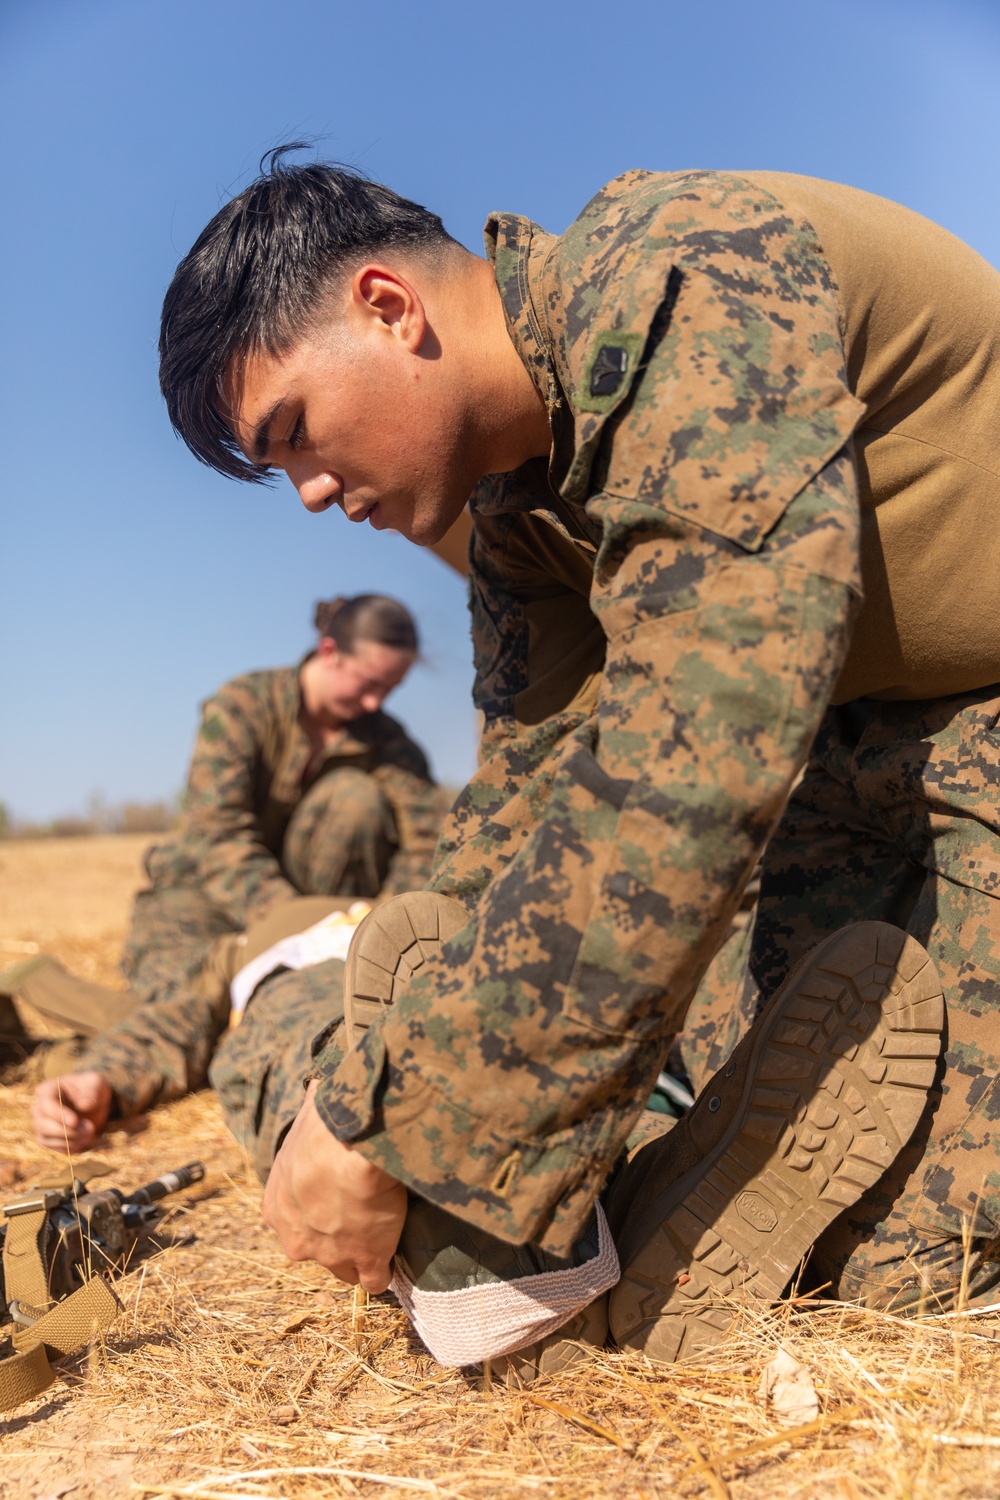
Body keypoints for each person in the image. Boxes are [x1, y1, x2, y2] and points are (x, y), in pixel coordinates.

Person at [139, 152, 1000, 1362]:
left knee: (921, 1250)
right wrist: (389, 1076)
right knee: (792, 1141)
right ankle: (578, 1241)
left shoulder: (681, 267)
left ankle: (563, 1255)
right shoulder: (516, 511)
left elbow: (704, 730)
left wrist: (390, 1121)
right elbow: (518, 809)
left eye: (294, 435)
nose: (313, 495)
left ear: (388, 307)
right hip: (848, 760)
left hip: (959, 723)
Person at [24, 591, 445, 1137]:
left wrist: (376, 933)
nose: (374, 704)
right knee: (181, 1002)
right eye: (368, 683)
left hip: (318, 911)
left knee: (355, 800)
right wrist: (290, 927)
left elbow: (425, 848)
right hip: (203, 897)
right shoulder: (244, 705)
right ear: (329, 652)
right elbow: (217, 834)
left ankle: (287, 986)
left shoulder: (388, 743)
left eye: (389, 691)